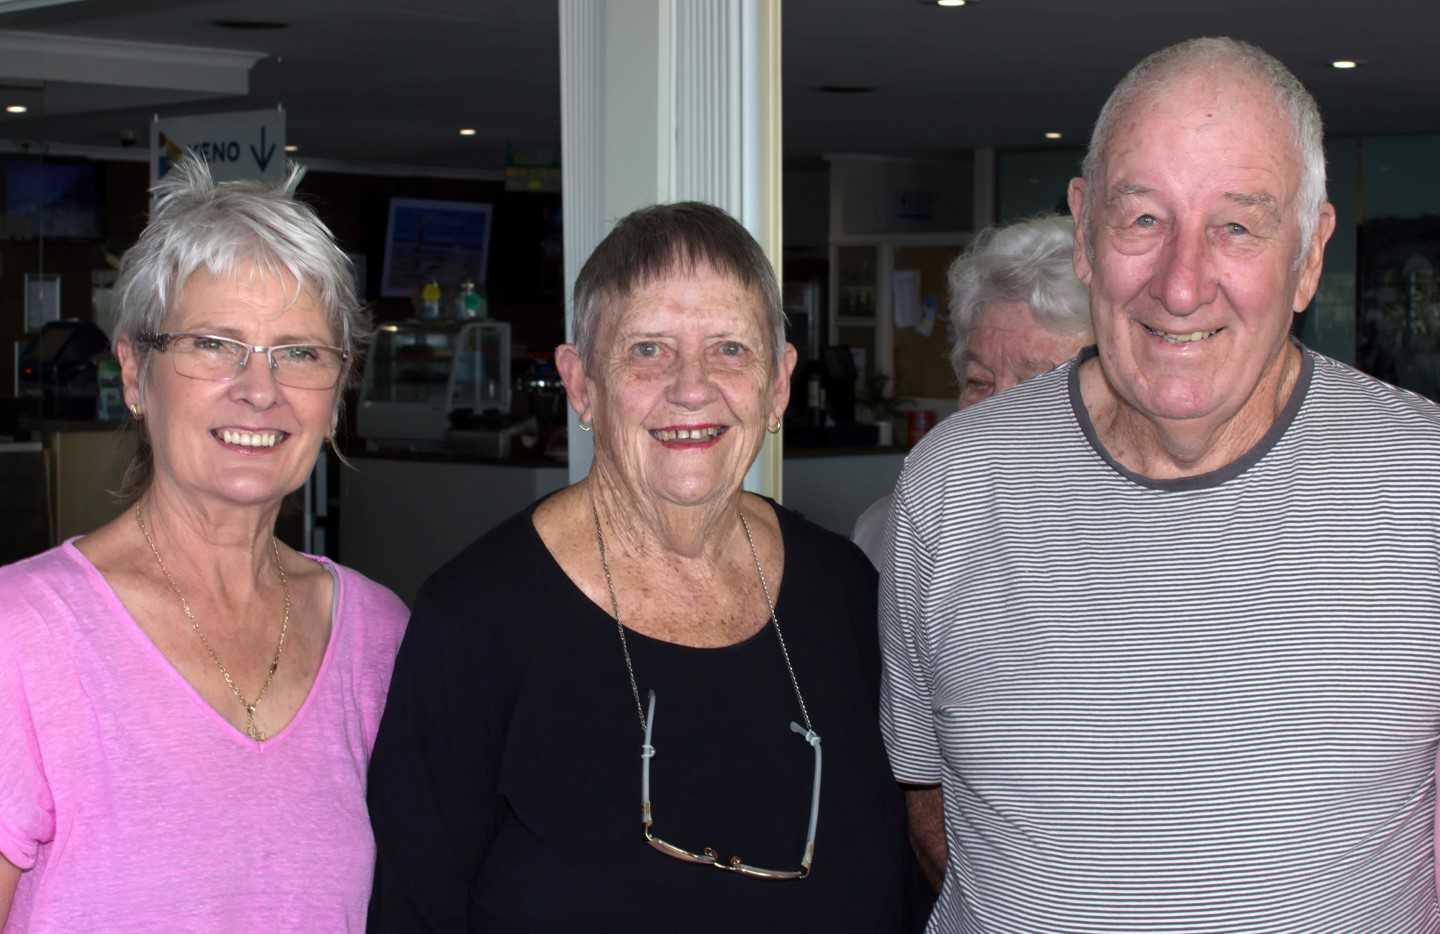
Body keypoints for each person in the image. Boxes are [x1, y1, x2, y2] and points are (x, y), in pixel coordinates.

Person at [880, 36, 1440, 931]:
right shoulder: (954, 484)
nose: (1181, 286)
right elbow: (933, 801)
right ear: (1086, 234)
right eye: (1143, 219)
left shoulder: (1425, 488)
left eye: (1237, 224)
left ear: (1308, 254)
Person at [368, 202, 913, 931]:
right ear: (581, 384)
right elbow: (414, 911)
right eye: (648, 350)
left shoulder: (843, 590)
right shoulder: (475, 620)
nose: (692, 387)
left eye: (730, 349)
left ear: (779, 384)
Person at [0, 157, 408, 932]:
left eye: (300, 352)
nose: (260, 389)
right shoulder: (21, 636)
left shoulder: (382, 638)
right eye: (214, 343)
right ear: (133, 370)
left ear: (337, 390)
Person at [851, 215, 1091, 572]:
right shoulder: (897, 531)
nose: (995, 412)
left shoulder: (1159, 543)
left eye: (1037, 385)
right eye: (979, 381)